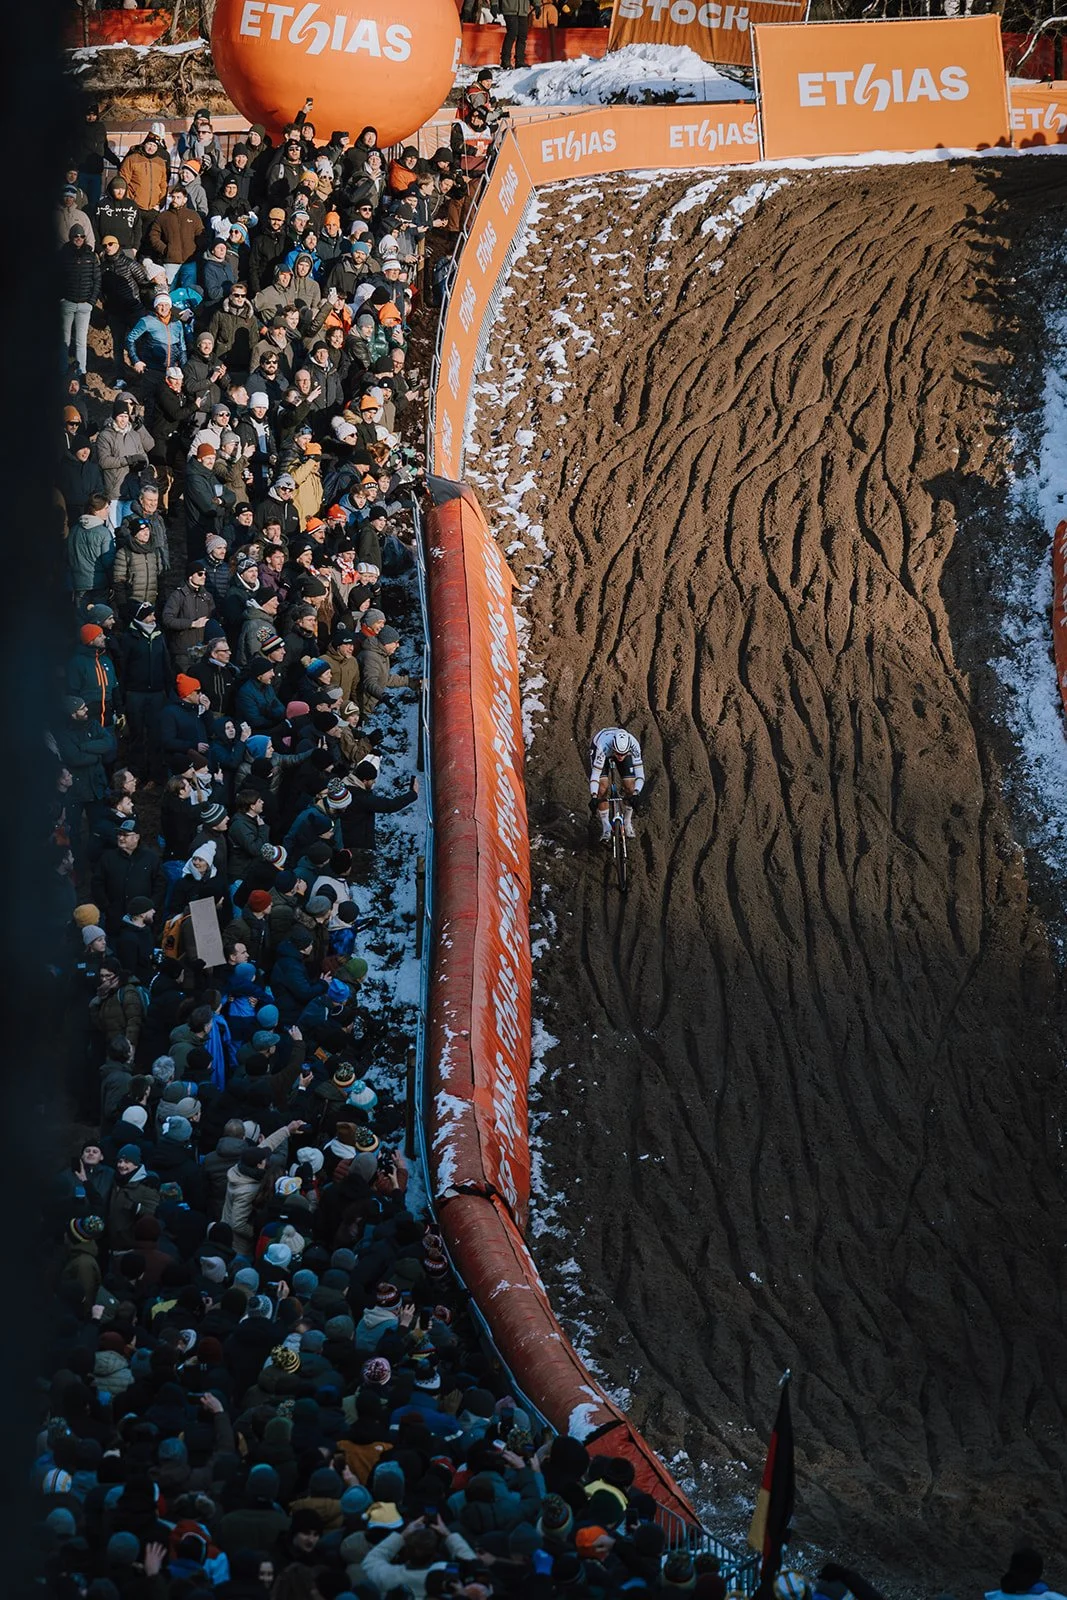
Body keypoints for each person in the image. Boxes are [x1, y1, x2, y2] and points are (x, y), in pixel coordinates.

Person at [58, 225, 101, 377]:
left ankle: (81, 372)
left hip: (85, 304)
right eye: (76, 236)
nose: (79, 239)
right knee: (64, 341)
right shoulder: (63, 255)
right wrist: (61, 298)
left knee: (81, 342)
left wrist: (92, 301)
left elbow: (97, 279)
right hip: (67, 303)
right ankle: (63, 372)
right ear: (71, 237)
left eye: (82, 236)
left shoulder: (90, 256)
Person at [588, 725, 644, 841]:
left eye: (623, 754)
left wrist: (636, 794)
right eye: (618, 753)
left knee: (630, 787)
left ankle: (627, 822)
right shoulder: (603, 745)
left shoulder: (634, 744)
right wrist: (594, 795)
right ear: (614, 748)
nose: (620, 757)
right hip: (603, 748)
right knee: (601, 788)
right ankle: (606, 827)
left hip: (616, 748)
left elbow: (640, 775)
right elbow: (595, 775)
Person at [499, 0, 539, 68]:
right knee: (512, 32)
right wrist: (494, 3)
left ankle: (520, 61)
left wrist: (537, 4)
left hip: (523, 11)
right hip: (509, 8)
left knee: (522, 35)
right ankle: (505, 60)